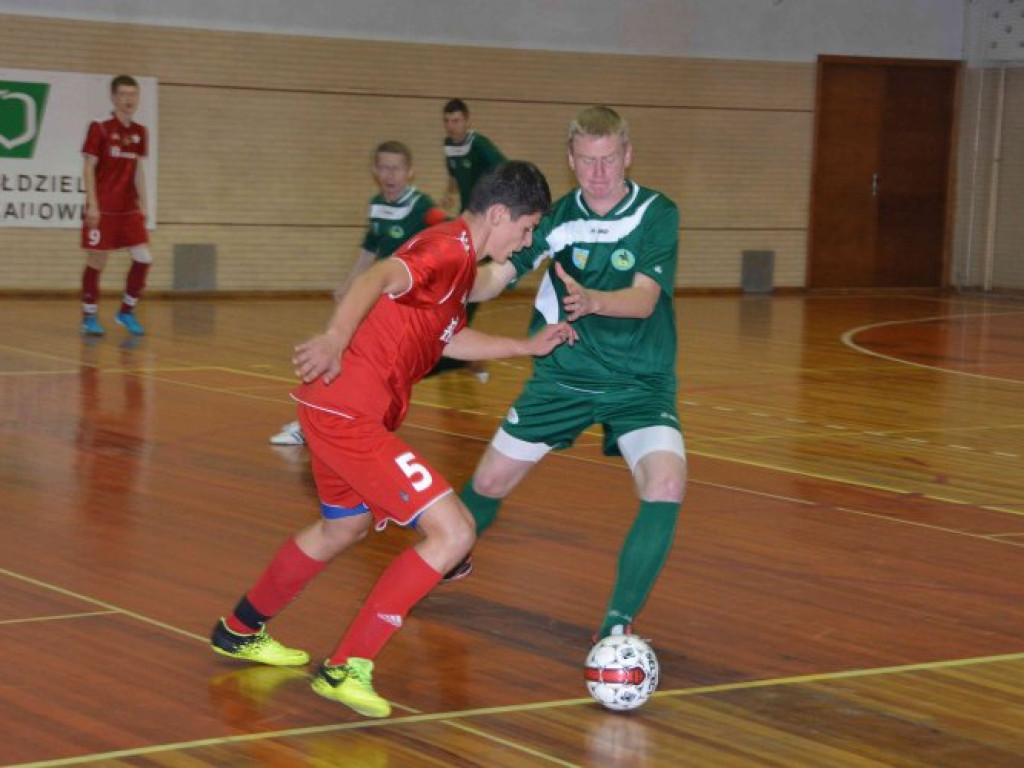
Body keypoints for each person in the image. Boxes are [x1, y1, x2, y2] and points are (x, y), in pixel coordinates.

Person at [211, 161, 576, 718]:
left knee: (343, 527)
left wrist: (525, 348)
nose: (525, 239)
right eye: (525, 228)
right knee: (453, 530)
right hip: (347, 414)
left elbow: (451, 340)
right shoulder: (447, 250)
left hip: (339, 412)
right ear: (500, 215)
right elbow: (377, 276)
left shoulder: (460, 269)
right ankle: (346, 667)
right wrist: (335, 336)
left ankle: (240, 629)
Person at [446, 106, 685, 645]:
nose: (599, 172)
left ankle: (616, 627)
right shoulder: (552, 219)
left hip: (638, 384)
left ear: (627, 154)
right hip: (562, 379)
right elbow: (496, 277)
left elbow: (645, 300)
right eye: (587, 161)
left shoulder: (656, 213)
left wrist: (594, 300)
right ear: (570, 161)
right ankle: (428, 566)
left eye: (608, 159)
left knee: (666, 482)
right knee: (488, 482)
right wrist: (446, 278)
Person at [270, 140, 448, 446]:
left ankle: (334, 420)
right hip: (377, 301)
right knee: (340, 353)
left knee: (365, 365)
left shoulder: (423, 208)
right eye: (383, 168)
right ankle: (312, 421)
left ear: (410, 172)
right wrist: (349, 286)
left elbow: (449, 244)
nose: (389, 175)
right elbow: (369, 250)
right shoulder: (377, 204)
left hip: (405, 309)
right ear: (374, 171)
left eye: (396, 169)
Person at [432, 98, 507, 381]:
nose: (452, 126)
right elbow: (454, 174)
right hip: (466, 221)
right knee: (459, 280)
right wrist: (449, 193)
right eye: (448, 121)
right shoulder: (449, 145)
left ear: (467, 120)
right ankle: (458, 345)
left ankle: (466, 350)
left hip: (485, 223)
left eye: (457, 121)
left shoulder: (480, 145)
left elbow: (505, 171)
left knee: (470, 284)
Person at [79, 75, 151, 337]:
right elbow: (89, 166)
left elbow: (137, 171)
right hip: (105, 207)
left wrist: (144, 204)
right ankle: (88, 316)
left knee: (144, 258)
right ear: (113, 98)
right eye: (123, 94)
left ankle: (126, 311)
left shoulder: (139, 132)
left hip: (128, 208)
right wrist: (93, 205)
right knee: (98, 259)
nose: (129, 99)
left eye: (133, 94)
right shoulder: (100, 128)